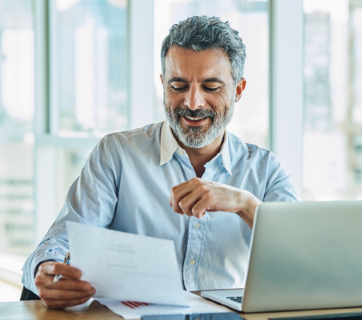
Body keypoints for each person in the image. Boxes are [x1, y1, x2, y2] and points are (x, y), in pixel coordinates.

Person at [21, 15, 299, 309]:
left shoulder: (266, 172)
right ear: (162, 85)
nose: (193, 103)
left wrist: (244, 204)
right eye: (178, 86)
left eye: (211, 87)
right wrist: (47, 271)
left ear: (238, 90)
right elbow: (63, 240)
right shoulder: (117, 154)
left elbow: (304, 256)